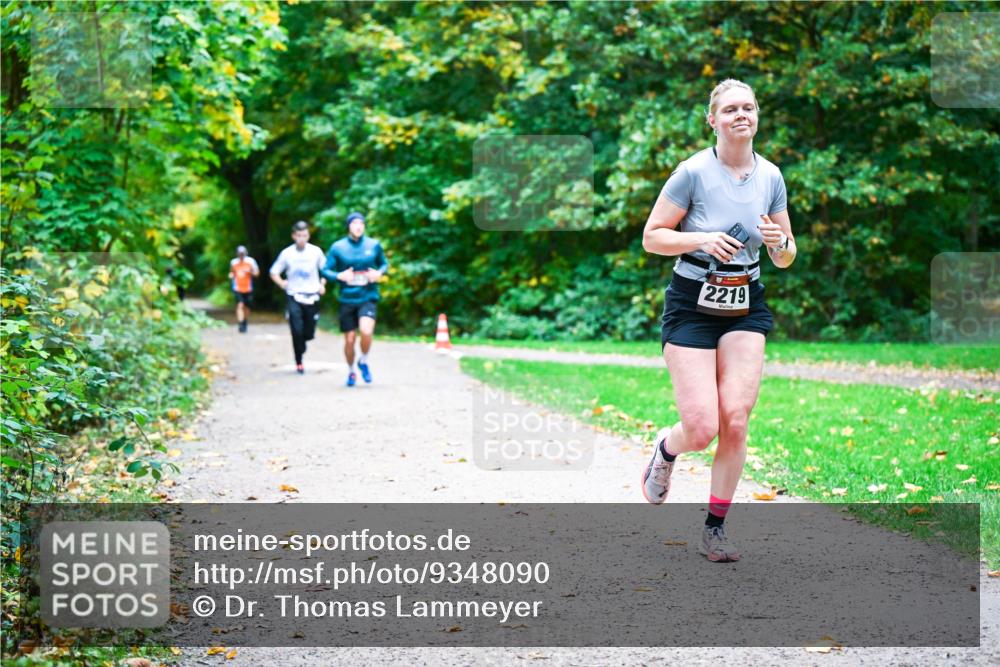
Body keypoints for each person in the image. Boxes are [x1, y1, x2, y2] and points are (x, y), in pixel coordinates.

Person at [640, 79, 797, 562]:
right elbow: (652, 236)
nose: (741, 114)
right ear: (713, 119)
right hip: (691, 304)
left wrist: (777, 242)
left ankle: (715, 529)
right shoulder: (691, 173)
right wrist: (700, 239)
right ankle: (667, 450)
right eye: (730, 109)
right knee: (703, 426)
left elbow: (788, 255)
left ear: (756, 116)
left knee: (735, 418)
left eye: (748, 107)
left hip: (745, 304)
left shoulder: (770, 176)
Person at [321, 212, 389, 387]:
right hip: (347, 298)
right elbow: (325, 270)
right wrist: (340, 276)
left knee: (366, 331)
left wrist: (378, 273)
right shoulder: (338, 247)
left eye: (361, 223)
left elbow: (384, 264)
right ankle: (351, 370)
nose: (358, 226)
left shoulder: (373, 245)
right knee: (350, 339)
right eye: (354, 223)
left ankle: (363, 361)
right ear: (349, 226)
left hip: (368, 296)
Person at [269, 221, 327, 374]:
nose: (302, 238)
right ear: (294, 236)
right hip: (294, 295)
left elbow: (326, 270)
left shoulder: (316, 252)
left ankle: (304, 342)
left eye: (305, 235)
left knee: (308, 332)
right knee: (296, 330)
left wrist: (322, 284)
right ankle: (299, 360)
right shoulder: (287, 253)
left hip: (312, 296)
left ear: (308, 236)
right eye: (299, 235)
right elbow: (274, 271)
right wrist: (282, 283)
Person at [228, 245, 260, 333]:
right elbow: (232, 272)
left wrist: (250, 272)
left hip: (248, 288)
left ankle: (245, 321)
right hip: (237, 287)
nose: (241, 255)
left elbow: (257, 273)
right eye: (239, 254)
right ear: (237, 254)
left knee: (246, 307)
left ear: (245, 253)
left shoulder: (251, 261)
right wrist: (231, 275)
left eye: (243, 254)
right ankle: (241, 324)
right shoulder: (234, 262)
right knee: (240, 305)